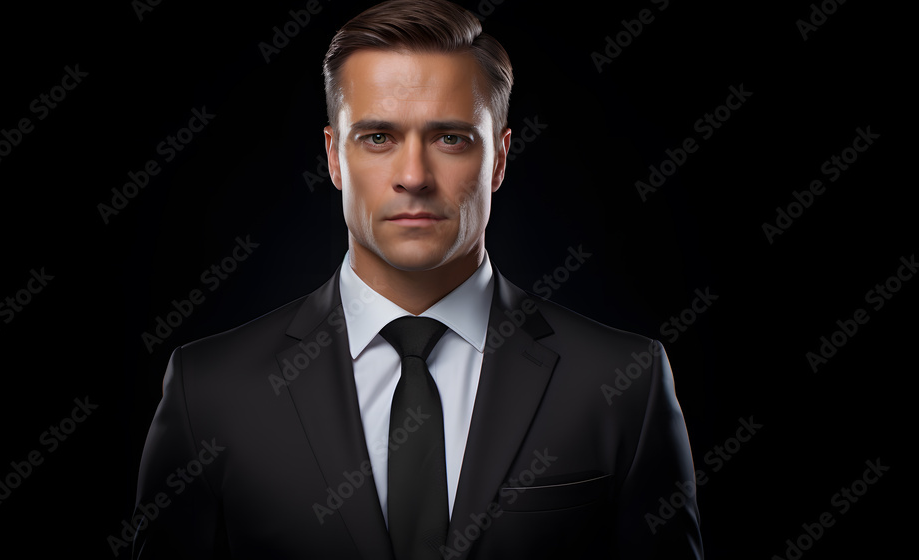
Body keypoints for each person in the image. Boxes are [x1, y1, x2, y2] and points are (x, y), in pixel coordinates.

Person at [130, 0, 703, 558]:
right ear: (333, 157)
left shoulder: (625, 382)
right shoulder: (208, 391)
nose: (413, 176)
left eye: (450, 138)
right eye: (377, 137)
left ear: (499, 159)